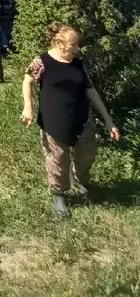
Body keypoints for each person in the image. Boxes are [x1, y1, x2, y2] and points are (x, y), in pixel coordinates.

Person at [21, 22, 120, 218]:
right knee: (57, 160)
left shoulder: (78, 64)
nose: (77, 48)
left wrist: (108, 120)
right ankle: (59, 195)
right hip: (54, 120)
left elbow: (90, 90)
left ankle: (78, 177)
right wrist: (28, 108)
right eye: (73, 45)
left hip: (82, 119)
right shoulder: (42, 61)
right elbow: (28, 80)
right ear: (59, 43)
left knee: (88, 154)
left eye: (77, 44)